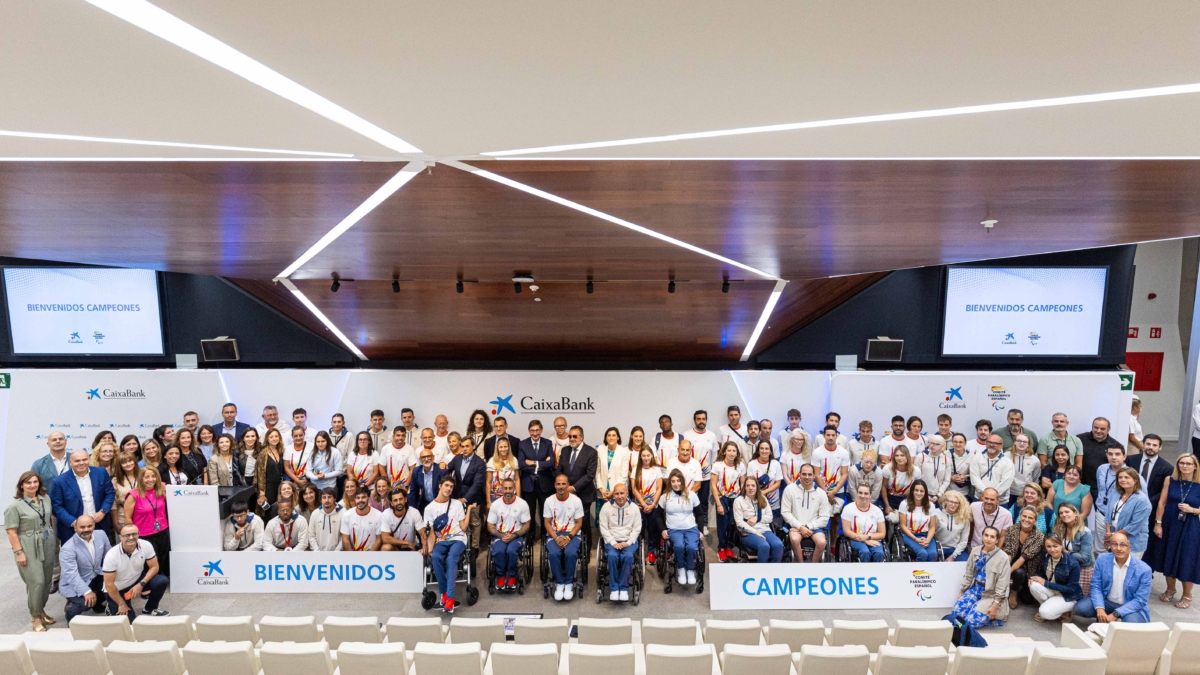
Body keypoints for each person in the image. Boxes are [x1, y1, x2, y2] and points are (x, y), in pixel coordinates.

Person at [6, 472, 58, 630]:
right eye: (28, 483)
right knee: (37, 581)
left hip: (47, 540)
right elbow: (11, 532)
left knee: (47, 580)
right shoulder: (14, 506)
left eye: (35, 482)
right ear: (21, 485)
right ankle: (35, 617)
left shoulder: (45, 499)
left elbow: (47, 518)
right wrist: (19, 552)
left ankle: (41, 611)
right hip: (28, 543)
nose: (32, 485)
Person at [1151, 454, 1199, 609]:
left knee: (1187, 559)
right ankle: (1170, 588)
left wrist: (1193, 510)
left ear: (1195, 466)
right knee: (1168, 554)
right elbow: (1162, 502)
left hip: (1189, 525)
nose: (1184, 466)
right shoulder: (1170, 480)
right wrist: (1158, 523)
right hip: (1169, 523)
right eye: (1181, 463)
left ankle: (1187, 594)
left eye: (1188, 464)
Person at [1074, 532, 1152, 623]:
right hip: (1107, 601)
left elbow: (1140, 600)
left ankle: (1113, 619)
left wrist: (1116, 614)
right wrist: (1099, 608)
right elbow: (1096, 586)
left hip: (1129, 605)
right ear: (1110, 545)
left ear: (1129, 547)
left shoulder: (1144, 570)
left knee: (1132, 623)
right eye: (1114, 544)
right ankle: (1104, 617)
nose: (1118, 548)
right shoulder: (1102, 559)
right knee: (1080, 608)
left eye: (1123, 545)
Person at [103, 524, 169, 621]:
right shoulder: (111, 555)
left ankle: (150, 609)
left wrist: (141, 584)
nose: (131, 538)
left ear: (138, 534)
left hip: (137, 581)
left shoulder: (146, 545)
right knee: (128, 624)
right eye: (127, 535)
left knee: (161, 581)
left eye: (134, 534)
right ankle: (112, 604)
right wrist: (121, 604)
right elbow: (109, 584)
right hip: (118, 589)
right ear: (120, 537)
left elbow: (154, 567)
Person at [51, 450, 116, 543]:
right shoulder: (59, 481)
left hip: (99, 525)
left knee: (102, 555)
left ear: (89, 460)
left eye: (84, 460)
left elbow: (110, 494)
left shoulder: (101, 473)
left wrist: (103, 511)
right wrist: (74, 522)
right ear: (70, 462)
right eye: (77, 461)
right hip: (72, 530)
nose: (81, 463)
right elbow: (56, 506)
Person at [1093, 445, 1147, 558]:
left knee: (1122, 554)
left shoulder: (1137, 478)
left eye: (1117, 454)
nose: (1113, 457)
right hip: (1103, 515)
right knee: (1101, 550)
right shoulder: (1102, 469)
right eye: (1110, 454)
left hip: (1124, 523)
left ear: (1124, 456)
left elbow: (1141, 508)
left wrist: (1112, 535)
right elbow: (1100, 489)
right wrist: (1109, 531)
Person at [953, 526, 1010, 627]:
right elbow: (969, 573)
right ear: (982, 536)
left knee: (970, 621)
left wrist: (995, 605)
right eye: (986, 535)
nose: (988, 539)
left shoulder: (1003, 557)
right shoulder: (975, 551)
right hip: (975, 590)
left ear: (997, 540)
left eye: (992, 537)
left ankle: (996, 620)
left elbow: (1003, 584)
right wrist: (962, 590)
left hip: (990, 595)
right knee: (956, 614)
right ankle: (975, 611)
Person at [1128, 433, 1172, 558]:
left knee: (1148, 542)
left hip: (1152, 509)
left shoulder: (1167, 467)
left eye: (1154, 445)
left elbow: (1164, 491)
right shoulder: (1131, 460)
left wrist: (1146, 501)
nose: (1150, 447)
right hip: (1129, 505)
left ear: (1160, 448)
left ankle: (1146, 569)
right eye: (1148, 444)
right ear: (1142, 444)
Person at [59, 515, 110, 624]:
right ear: (75, 528)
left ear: (94, 525)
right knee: (85, 603)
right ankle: (70, 613)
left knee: (114, 587)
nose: (86, 530)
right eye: (82, 527)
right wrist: (86, 592)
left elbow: (109, 556)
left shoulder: (101, 534)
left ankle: (97, 603)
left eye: (89, 526)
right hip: (76, 581)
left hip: (96, 575)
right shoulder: (67, 549)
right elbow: (72, 575)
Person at [544, 474, 585, 601]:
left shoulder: (576, 501)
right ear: (555, 485)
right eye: (558, 484)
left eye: (563, 484)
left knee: (571, 553)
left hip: (572, 534)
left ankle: (568, 583)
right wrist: (556, 538)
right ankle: (560, 583)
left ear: (568, 485)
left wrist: (569, 537)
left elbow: (579, 522)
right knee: (553, 553)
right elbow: (547, 522)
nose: (561, 487)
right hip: (555, 534)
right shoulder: (549, 501)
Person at [124, 467, 170, 577]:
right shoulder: (133, 495)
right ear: (141, 478)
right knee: (149, 561)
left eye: (153, 476)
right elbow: (128, 519)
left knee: (163, 557)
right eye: (147, 477)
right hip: (144, 534)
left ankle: (160, 581)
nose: (151, 479)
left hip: (162, 530)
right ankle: (148, 583)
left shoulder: (161, 489)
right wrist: (132, 536)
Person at [599, 483, 641, 602]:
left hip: (629, 541)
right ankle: (614, 588)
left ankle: (623, 588)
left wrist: (628, 542)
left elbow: (637, 528)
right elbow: (603, 528)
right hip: (612, 540)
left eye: (622, 493)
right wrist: (613, 542)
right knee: (612, 556)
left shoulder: (634, 508)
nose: (619, 496)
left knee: (627, 556)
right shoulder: (606, 507)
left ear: (627, 493)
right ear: (613, 494)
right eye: (616, 493)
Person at [556, 426, 597, 546]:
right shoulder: (565, 450)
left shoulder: (591, 452)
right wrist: (564, 486)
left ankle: (586, 550)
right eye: (570, 436)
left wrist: (572, 488)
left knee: (583, 523)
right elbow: (559, 470)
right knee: (567, 522)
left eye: (575, 436)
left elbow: (590, 475)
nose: (572, 439)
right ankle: (569, 546)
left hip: (583, 494)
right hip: (565, 495)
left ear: (582, 437)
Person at [781, 463, 830, 562]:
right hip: (796, 527)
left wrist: (807, 527)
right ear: (799, 474)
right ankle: (801, 565)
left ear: (814, 476)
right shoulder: (789, 489)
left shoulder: (821, 493)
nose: (807, 477)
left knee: (821, 542)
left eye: (809, 474)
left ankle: (812, 567)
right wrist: (800, 526)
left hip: (814, 528)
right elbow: (785, 512)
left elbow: (824, 518)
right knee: (794, 540)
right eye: (804, 474)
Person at [660, 469, 701, 585]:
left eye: (678, 481)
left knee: (692, 547)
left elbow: (699, 514)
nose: (676, 484)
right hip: (674, 529)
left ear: (682, 482)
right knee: (678, 546)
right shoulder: (665, 497)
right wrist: (663, 529)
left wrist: (701, 531)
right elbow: (658, 515)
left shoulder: (692, 495)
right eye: (673, 481)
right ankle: (681, 569)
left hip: (691, 528)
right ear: (670, 483)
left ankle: (690, 569)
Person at [487, 478, 529, 589]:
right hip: (500, 535)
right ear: (501, 490)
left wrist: (514, 535)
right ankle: (501, 575)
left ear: (514, 489)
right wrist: (501, 535)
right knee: (499, 550)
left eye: (510, 488)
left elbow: (526, 524)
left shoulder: (522, 504)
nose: (508, 491)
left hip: (516, 535)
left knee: (511, 551)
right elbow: (490, 525)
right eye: (505, 488)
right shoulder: (495, 505)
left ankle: (512, 575)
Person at [1030, 534, 1082, 623]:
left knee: (1044, 612)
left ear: (1061, 545)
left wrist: (1046, 583)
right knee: (1033, 585)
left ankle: (1064, 610)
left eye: (1055, 546)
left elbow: (1071, 589)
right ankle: (1052, 607)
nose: (1052, 549)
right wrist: (1035, 578)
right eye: (1049, 546)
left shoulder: (1073, 563)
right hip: (1053, 590)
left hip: (1067, 596)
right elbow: (1042, 572)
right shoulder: (1045, 555)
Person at [682, 410, 719, 535]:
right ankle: (689, 524)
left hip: (706, 476)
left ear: (706, 420)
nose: (701, 421)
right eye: (698, 419)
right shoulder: (686, 435)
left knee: (703, 502)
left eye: (703, 419)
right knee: (688, 500)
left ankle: (703, 525)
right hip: (689, 477)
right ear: (694, 420)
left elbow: (714, 458)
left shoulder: (712, 436)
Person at [518, 419, 556, 540]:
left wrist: (533, 463)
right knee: (529, 513)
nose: (535, 433)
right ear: (529, 431)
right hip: (528, 485)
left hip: (545, 484)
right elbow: (522, 465)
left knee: (545, 512)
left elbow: (551, 463)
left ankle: (546, 536)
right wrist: (541, 464)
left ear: (541, 430)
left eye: (537, 430)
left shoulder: (547, 443)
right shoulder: (522, 444)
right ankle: (530, 536)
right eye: (532, 430)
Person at [1002, 506, 1045, 608]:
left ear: (1035, 521)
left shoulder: (1039, 537)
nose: (1026, 519)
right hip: (1011, 565)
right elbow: (1008, 552)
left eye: (1030, 518)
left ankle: (1016, 587)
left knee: (1027, 600)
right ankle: (1014, 592)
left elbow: (1023, 559)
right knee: (1017, 572)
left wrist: (1007, 573)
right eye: (1024, 516)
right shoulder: (1012, 529)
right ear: (1020, 517)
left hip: (1028, 570)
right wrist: (1004, 572)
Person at [734, 474, 783, 562]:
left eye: (753, 485)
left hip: (765, 530)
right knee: (764, 546)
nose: (750, 488)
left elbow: (770, 518)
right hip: (748, 532)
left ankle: (774, 572)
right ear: (744, 487)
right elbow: (739, 522)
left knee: (778, 545)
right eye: (748, 485)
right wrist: (755, 532)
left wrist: (757, 518)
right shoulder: (739, 501)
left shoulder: (763, 499)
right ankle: (760, 573)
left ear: (757, 487)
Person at [448, 436, 486, 549]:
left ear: (473, 447)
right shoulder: (457, 459)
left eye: (467, 446)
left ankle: (474, 547)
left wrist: (465, 499)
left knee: (474, 522)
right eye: (462, 446)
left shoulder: (480, 463)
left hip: (473, 497)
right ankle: (462, 545)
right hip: (457, 495)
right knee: (459, 521)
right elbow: (447, 470)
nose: (464, 449)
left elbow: (477, 484)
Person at [1106, 466, 1152, 559]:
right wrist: (1108, 533)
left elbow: (1134, 525)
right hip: (1114, 538)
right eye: (1120, 477)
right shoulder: (1116, 493)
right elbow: (1108, 514)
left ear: (1135, 480)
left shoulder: (1142, 500)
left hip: (1133, 542)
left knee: (1128, 571)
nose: (1123, 480)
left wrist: (1113, 536)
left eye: (1126, 477)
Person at [711, 441, 744, 561]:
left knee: (732, 524)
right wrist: (718, 504)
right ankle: (721, 548)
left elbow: (743, 483)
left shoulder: (740, 465)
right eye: (729, 450)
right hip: (722, 497)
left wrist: (741, 500)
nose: (731, 453)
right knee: (722, 525)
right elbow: (713, 485)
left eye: (734, 451)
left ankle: (729, 546)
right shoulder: (718, 465)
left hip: (735, 498)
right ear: (724, 451)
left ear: (737, 453)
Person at [1054, 503, 1094, 595]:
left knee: (1078, 599)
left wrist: (1065, 552)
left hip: (1083, 569)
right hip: (1065, 566)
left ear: (1075, 513)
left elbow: (1084, 558)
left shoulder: (1085, 532)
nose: (1064, 515)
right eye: (1061, 513)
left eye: (1067, 511)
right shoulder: (1059, 529)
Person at [631, 447, 663, 563]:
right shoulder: (636, 469)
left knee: (652, 530)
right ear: (640, 456)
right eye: (643, 455)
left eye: (648, 455)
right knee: (640, 530)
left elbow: (659, 489)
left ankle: (651, 551)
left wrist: (653, 504)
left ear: (651, 456)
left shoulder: (656, 469)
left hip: (653, 506)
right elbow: (634, 489)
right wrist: (644, 504)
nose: (646, 458)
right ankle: (640, 551)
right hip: (640, 506)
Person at [811, 425, 851, 516]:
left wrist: (834, 491)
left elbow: (845, 474)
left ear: (836, 436)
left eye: (833, 435)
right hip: (821, 490)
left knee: (836, 519)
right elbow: (816, 475)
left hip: (838, 490)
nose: (831, 437)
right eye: (828, 435)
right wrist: (826, 493)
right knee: (821, 517)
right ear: (824, 436)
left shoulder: (843, 452)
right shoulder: (817, 452)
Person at [1079, 417, 1124, 495]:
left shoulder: (1114, 445)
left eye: (1102, 429)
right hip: (1079, 485)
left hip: (1101, 488)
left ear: (1108, 430)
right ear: (1092, 427)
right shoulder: (1079, 439)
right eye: (1096, 428)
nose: (1098, 431)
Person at [842, 484, 887, 562]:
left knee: (879, 553)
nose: (862, 496)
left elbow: (882, 533)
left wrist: (867, 537)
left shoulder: (877, 511)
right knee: (865, 552)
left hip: (872, 538)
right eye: (860, 493)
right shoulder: (848, 509)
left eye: (866, 493)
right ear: (857, 493)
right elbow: (847, 531)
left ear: (870, 495)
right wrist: (864, 540)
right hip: (854, 539)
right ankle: (865, 573)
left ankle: (877, 573)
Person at [898, 479, 939, 561]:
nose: (919, 493)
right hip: (910, 535)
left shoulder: (931, 506)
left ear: (925, 493)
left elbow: (932, 527)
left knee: (933, 554)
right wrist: (915, 539)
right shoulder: (904, 504)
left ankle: (930, 573)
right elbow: (903, 525)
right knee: (922, 554)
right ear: (912, 491)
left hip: (925, 535)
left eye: (921, 491)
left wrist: (927, 540)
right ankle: (918, 573)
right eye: (916, 490)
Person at [746, 440, 783, 525]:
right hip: (755, 501)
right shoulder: (752, 464)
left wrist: (764, 492)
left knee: (773, 526)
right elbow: (749, 482)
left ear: (770, 451)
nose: (764, 451)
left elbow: (778, 483)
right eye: (761, 448)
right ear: (758, 450)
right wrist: (759, 494)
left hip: (773, 502)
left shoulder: (776, 464)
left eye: (767, 449)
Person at [971, 434, 1015, 506]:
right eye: (989, 442)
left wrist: (990, 497)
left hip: (1000, 502)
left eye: (995, 443)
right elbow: (974, 478)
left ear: (1001, 446)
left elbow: (1005, 483)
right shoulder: (976, 458)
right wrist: (986, 495)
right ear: (986, 443)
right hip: (980, 499)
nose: (992, 445)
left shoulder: (1007, 462)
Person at [595, 427, 630, 511]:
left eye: (614, 435)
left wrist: (613, 492)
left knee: (616, 519)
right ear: (606, 437)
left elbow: (624, 475)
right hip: (602, 492)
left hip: (618, 493)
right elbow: (597, 472)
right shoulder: (600, 449)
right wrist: (601, 489)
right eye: (609, 435)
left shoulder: (623, 451)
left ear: (618, 437)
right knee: (602, 519)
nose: (611, 437)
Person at [936, 489, 972, 561]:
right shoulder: (936, 513)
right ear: (945, 501)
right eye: (951, 501)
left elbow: (964, 541)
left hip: (956, 549)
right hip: (938, 548)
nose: (953, 505)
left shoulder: (964, 517)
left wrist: (953, 556)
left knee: (964, 564)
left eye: (956, 503)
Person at [409, 448, 446, 515]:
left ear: (433, 457)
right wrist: (412, 510)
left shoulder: (441, 471)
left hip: (440, 504)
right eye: (423, 457)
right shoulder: (416, 471)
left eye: (428, 456)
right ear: (420, 460)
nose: (426, 459)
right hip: (424, 503)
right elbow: (413, 492)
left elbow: (447, 491)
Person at [882, 446, 916, 515]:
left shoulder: (915, 470)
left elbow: (917, 488)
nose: (899, 458)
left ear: (907, 456)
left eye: (902, 455)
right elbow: (883, 487)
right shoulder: (888, 468)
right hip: (890, 499)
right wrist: (887, 506)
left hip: (907, 500)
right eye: (897, 455)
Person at [488, 437, 521, 509]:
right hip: (495, 496)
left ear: (508, 447)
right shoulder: (491, 461)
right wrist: (488, 501)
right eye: (501, 447)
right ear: (497, 448)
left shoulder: (514, 460)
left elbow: (517, 479)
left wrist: (518, 497)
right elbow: (488, 482)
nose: (503, 449)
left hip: (511, 495)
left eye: (505, 446)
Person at [1008, 433, 1040, 505]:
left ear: (1028, 444)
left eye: (1025, 442)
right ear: (1014, 442)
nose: (1022, 443)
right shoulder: (1005, 456)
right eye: (1019, 441)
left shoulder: (1034, 460)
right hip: (1009, 493)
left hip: (1025, 494)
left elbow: (1034, 477)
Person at [922, 436, 952, 503]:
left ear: (942, 446)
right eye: (931, 443)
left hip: (938, 495)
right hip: (922, 494)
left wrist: (938, 495)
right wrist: (923, 493)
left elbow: (947, 480)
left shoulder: (946, 459)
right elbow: (916, 478)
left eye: (936, 444)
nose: (932, 446)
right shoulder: (921, 456)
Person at [948, 433, 974, 499]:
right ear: (952, 443)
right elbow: (940, 473)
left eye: (961, 442)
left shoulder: (971, 456)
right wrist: (950, 477)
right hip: (949, 491)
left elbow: (976, 474)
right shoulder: (946, 454)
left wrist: (966, 477)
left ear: (965, 443)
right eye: (955, 442)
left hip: (965, 493)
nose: (958, 444)